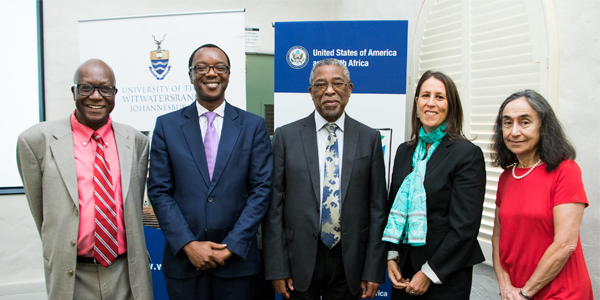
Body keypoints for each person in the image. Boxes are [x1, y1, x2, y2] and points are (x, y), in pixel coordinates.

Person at [16, 59, 153, 299]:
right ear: (74, 92)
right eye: (86, 88)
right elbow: (43, 216)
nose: (96, 96)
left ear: (115, 93)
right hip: (73, 273)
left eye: (105, 89)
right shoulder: (37, 141)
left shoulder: (136, 141)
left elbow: (131, 207)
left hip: (126, 272)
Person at [147, 44, 273, 300]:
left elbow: (261, 190)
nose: (211, 73)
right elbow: (159, 191)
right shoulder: (167, 126)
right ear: (190, 74)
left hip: (237, 264)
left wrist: (232, 246)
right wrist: (188, 244)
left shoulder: (253, 126)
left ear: (228, 73)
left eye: (219, 67)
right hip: (184, 263)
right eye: (202, 67)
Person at [262, 58, 388, 300]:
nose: (329, 90)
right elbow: (273, 207)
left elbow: (378, 209)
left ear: (349, 90)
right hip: (298, 259)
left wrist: (373, 269)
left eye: (337, 83)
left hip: (349, 260)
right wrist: (277, 267)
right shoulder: (285, 137)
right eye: (321, 85)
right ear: (311, 92)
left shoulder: (369, 138)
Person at [383, 70, 486, 299]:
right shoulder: (404, 151)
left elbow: (465, 228)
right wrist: (391, 255)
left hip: (445, 274)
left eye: (440, 97)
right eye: (425, 95)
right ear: (417, 102)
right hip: (404, 272)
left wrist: (429, 273)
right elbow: (393, 208)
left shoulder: (466, 154)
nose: (431, 103)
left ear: (451, 106)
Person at [491, 90, 593, 300]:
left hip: (561, 293)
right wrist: (505, 285)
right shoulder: (507, 177)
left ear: (543, 127)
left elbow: (565, 244)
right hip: (515, 292)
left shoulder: (566, 171)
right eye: (507, 123)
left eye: (525, 122)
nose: (514, 131)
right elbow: (497, 237)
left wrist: (525, 293)